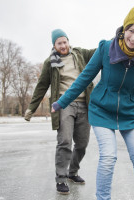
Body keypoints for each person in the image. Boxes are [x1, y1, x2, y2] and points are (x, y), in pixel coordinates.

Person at [51, 5, 134, 200]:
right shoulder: (105, 48)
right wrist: (62, 101)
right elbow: (84, 78)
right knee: (109, 157)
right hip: (101, 110)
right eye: (131, 30)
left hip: (129, 113)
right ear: (124, 28)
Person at [24, 29, 95, 195]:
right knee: (64, 141)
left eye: (65, 42)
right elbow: (41, 86)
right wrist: (31, 109)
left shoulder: (79, 54)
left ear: (68, 41)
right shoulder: (50, 63)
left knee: (82, 143)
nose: (63, 46)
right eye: (59, 43)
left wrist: (116, 41)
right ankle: (61, 178)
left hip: (85, 103)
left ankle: (73, 172)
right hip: (64, 104)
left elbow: (98, 52)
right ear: (54, 45)